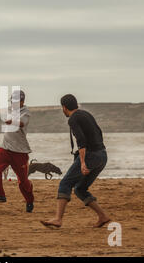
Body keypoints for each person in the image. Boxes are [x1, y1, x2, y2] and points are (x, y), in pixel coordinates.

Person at [41, 94, 111, 228]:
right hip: (102, 155)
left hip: (90, 155)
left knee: (65, 183)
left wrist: (83, 162)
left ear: (64, 107)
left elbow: (81, 141)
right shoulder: (86, 114)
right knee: (80, 188)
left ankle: (57, 219)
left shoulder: (73, 119)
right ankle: (103, 216)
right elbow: (99, 132)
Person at [0, 90, 35, 213]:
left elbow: (21, 123)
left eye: (16, 101)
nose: (13, 104)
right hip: (5, 146)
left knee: (23, 181)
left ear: (22, 101)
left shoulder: (26, 112)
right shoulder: (9, 110)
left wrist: (11, 121)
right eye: (12, 101)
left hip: (19, 151)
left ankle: (29, 200)